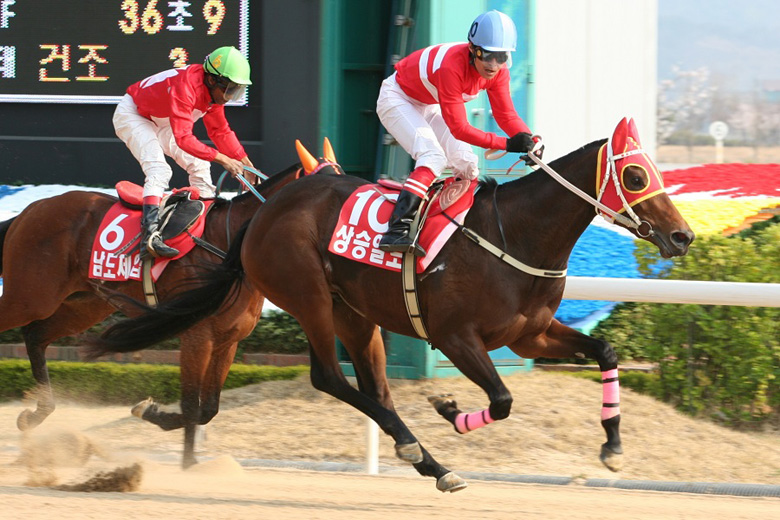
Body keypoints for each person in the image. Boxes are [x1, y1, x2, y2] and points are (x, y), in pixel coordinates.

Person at [376, 10, 542, 257]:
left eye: (501, 57)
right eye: (487, 55)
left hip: (428, 103)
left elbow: (506, 115)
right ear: (473, 49)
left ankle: (449, 226)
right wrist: (507, 144)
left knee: (468, 165)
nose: (493, 65)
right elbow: (459, 128)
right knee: (433, 156)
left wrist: (530, 140)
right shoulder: (451, 67)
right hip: (397, 98)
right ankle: (397, 229)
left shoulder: (498, 72)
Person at [113, 45, 257, 259]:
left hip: (162, 121)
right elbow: (184, 139)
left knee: (200, 165)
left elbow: (220, 131)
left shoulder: (213, 94)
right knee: (159, 171)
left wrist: (246, 163)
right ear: (212, 80)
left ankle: (207, 227)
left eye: (236, 91)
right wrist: (223, 159)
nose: (229, 97)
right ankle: (149, 238)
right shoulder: (186, 86)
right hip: (134, 116)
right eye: (230, 90)